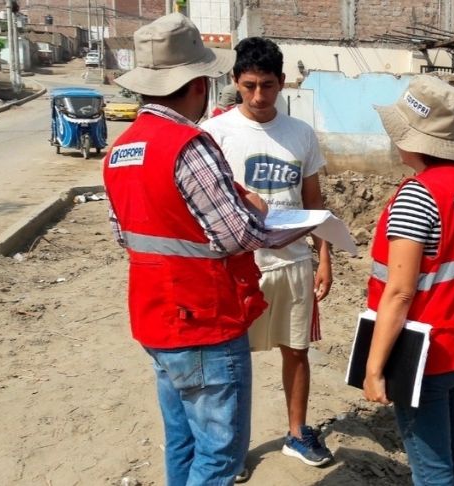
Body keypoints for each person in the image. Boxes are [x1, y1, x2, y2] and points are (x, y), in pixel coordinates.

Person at [102, 13, 269, 485]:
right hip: (204, 320)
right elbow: (237, 235)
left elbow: (124, 235)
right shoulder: (190, 146)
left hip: (156, 317)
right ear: (198, 84)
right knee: (219, 456)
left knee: (182, 440)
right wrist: (257, 211)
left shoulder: (121, 149)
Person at [363, 75, 454, 485]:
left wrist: (374, 368)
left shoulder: (418, 195)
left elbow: (399, 291)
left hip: (424, 353)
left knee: (431, 471)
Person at [201, 36, 334, 468]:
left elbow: (315, 204)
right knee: (230, 362)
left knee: (296, 350)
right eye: (250, 85)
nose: (259, 96)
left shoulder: (301, 134)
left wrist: (324, 258)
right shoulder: (214, 134)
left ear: (282, 84)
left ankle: (297, 434)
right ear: (236, 81)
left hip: (294, 264)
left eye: (269, 86)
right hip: (238, 267)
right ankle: (232, 449)